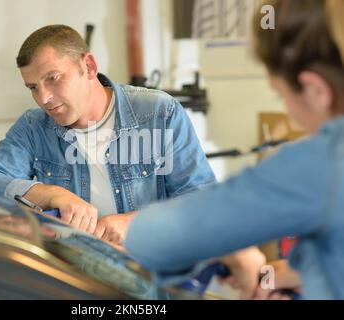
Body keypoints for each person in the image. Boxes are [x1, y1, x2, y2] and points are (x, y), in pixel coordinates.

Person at [124, 0, 344, 299]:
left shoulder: (322, 164)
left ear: (316, 90)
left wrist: (233, 252)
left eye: (282, 96)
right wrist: (299, 274)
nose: (290, 113)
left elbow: (151, 238)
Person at [0, 25, 215, 243]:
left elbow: (202, 202)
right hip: (75, 281)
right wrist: (51, 194)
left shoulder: (159, 113)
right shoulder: (34, 127)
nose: (44, 99)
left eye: (53, 78)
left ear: (89, 66)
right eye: (33, 87)